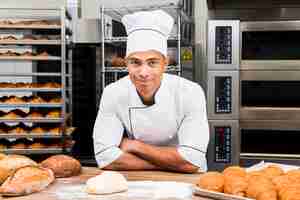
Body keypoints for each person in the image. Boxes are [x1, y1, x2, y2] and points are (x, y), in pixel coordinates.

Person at [93, 10, 209, 173]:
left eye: (152, 63)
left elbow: (193, 160)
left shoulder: (190, 92)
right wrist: (176, 164)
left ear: (165, 64)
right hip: (137, 181)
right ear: (126, 63)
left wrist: (136, 146)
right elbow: (105, 157)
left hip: (186, 181)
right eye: (135, 63)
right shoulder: (113, 93)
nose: (143, 73)